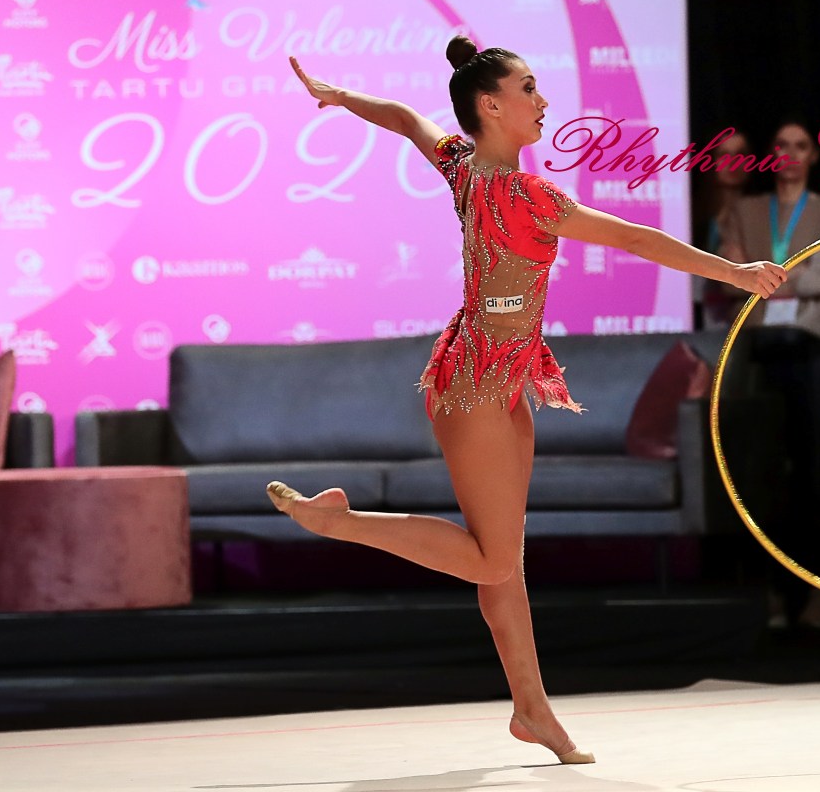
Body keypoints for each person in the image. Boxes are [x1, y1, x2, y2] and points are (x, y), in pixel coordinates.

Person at [266, 37, 786, 764]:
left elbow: (408, 119)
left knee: (503, 563)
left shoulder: (461, 164)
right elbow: (636, 239)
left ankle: (533, 712)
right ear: (491, 104)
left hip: (503, 379)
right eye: (530, 89)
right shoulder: (527, 196)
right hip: (474, 382)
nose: (544, 102)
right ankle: (338, 521)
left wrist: (341, 96)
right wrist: (736, 272)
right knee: (490, 563)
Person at [716, 116, 820, 632]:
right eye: (781, 144)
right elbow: (730, 277)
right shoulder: (746, 211)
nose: (790, 154)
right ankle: (771, 596)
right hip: (759, 350)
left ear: (814, 156)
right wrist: (790, 275)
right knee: (762, 474)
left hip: (815, 350)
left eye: (801, 146)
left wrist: (765, 275)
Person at [692, 126, 756, 330]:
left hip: (748, 318)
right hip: (698, 318)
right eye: (723, 155)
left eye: (740, 155)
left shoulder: (762, 215)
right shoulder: (691, 215)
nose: (732, 162)